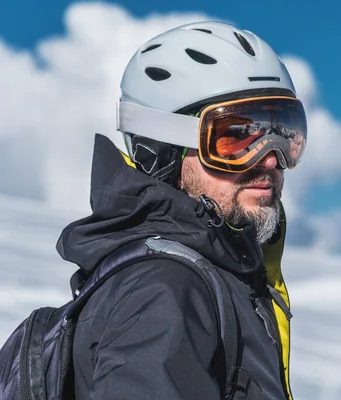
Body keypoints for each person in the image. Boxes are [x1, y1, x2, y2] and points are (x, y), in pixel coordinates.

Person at [55, 21, 307, 399]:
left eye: (284, 133)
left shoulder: (216, 276)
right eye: (236, 136)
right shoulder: (164, 290)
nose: (271, 160)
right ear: (161, 150)